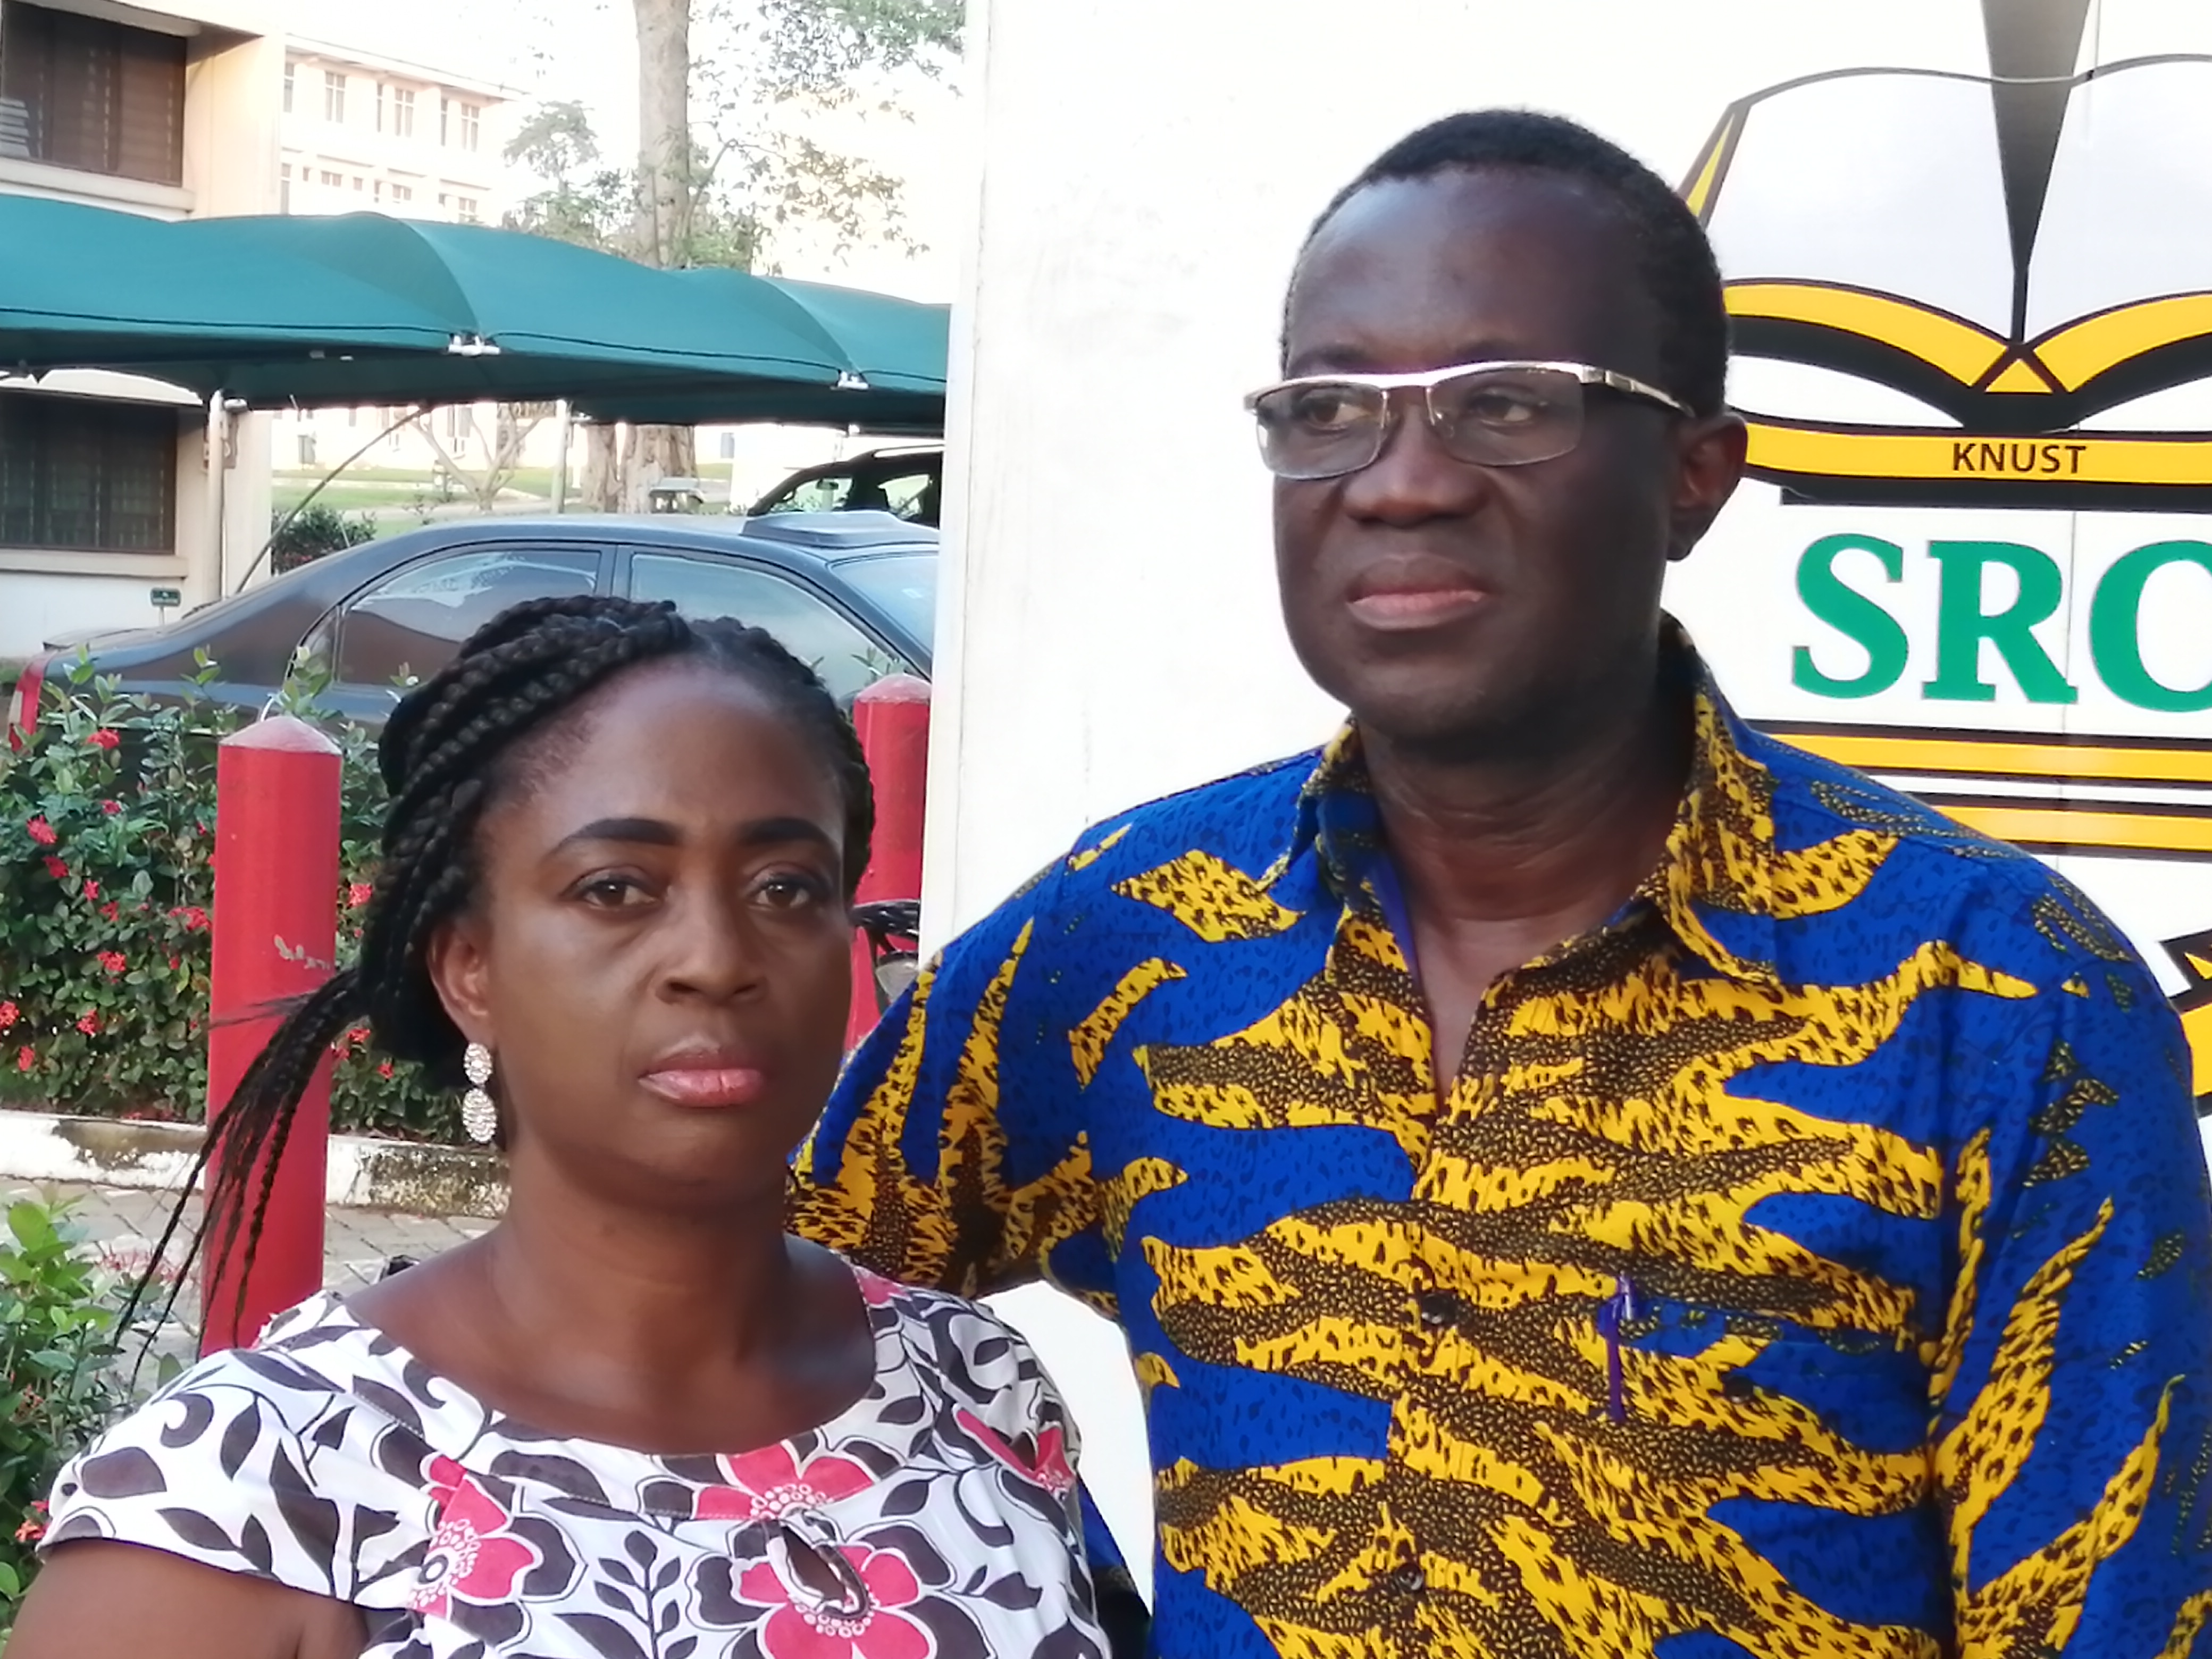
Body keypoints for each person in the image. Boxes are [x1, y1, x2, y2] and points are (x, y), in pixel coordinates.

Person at [789, 111, 2212, 1658]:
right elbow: (753, 1297)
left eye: (1508, 405)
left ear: (1694, 474)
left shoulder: (1999, 999)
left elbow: (2115, 1618)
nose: (1400, 485)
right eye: (1329, 406)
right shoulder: (1133, 935)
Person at [11, 597, 1109, 1659]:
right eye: (617, 889)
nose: (717, 959)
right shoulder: (249, 1492)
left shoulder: (971, 1385)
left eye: (785, 888)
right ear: (470, 970)